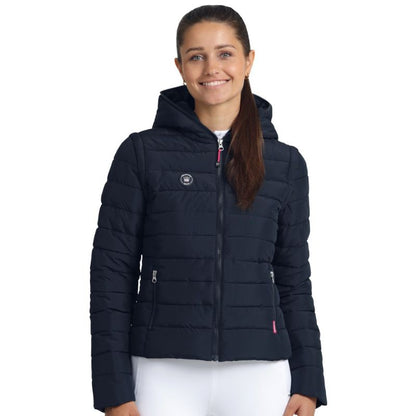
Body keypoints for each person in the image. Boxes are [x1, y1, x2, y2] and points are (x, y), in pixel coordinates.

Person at [89, 5, 327, 416]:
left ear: (248, 61)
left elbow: (294, 278)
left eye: (225, 53)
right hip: (161, 371)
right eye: (196, 56)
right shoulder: (142, 154)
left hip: (261, 372)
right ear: (180, 67)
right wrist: (114, 391)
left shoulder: (285, 163)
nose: (211, 68)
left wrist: (309, 381)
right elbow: (111, 275)